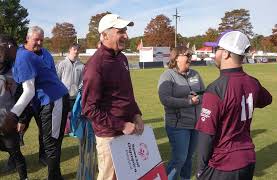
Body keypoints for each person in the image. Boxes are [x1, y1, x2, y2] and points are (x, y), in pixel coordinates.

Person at [195, 30, 272, 180]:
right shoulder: (253, 82)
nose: (214, 54)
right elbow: (267, 99)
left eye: (216, 49)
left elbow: (206, 135)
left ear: (226, 54)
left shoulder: (216, 89)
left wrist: (200, 171)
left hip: (223, 165)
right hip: (247, 160)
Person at [82, 13, 144, 180]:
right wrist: (122, 125)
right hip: (109, 135)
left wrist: (136, 114)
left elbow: (127, 95)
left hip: (127, 130)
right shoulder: (95, 66)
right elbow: (89, 109)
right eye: (120, 31)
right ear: (104, 35)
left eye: (125, 31)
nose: (126, 35)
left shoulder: (122, 58)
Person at [4, 26, 69, 180]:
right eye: (36, 39)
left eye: (41, 40)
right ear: (27, 39)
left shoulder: (23, 57)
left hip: (54, 99)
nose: (39, 43)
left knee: (51, 143)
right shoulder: (20, 54)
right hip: (45, 101)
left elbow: (29, 90)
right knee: (50, 143)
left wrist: (13, 115)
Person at [158, 46, 205, 180]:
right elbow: (165, 99)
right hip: (178, 126)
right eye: (186, 55)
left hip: (195, 124)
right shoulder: (167, 76)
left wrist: (199, 98)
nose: (190, 57)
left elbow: (204, 92)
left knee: (189, 158)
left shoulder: (195, 74)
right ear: (176, 58)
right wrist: (188, 101)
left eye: (190, 55)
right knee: (180, 158)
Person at [0, 34, 28, 180]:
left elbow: (22, 97)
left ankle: (24, 177)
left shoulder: (14, 71)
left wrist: (21, 119)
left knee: (16, 154)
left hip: (7, 122)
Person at [56, 43, 84, 134]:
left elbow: (82, 81)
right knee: (62, 114)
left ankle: (72, 130)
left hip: (75, 96)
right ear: (70, 50)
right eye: (74, 49)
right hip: (63, 95)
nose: (76, 51)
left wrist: (78, 90)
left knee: (74, 114)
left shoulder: (81, 65)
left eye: (77, 50)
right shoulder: (61, 64)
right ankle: (62, 131)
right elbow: (57, 78)